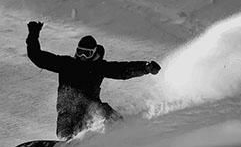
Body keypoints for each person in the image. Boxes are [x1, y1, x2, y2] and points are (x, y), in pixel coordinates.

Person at [26, 21, 161, 140]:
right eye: (80, 52)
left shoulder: (98, 67)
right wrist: (33, 34)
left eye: (87, 53)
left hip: (91, 110)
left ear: (94, 53)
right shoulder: (66, 64)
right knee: (64, 132)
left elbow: (123, 70)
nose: (83, 56)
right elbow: (37, 57)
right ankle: (68, 142)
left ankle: (124, 135)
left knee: (107, 115)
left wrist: (145, 67)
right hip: (67, 112)